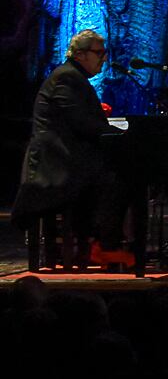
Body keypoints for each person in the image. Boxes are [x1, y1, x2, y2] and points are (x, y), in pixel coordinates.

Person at [13, 29, 131, 265]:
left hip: (65, 159)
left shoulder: (72, 77)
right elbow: (82, 123)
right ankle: (103, 245)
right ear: (80, 54)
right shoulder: (68, 77)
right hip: (56, 166)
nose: (104, 58)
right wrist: (124, 135)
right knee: (117, 178)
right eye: (99, 53)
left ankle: (95, 243)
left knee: (112, 173)